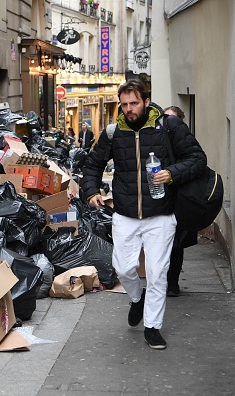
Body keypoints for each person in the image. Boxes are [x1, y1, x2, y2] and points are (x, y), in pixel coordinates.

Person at [82, 79, 206, 350]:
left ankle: (152, 327)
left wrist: (172, 173)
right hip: (125, 213)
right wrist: (91, 191)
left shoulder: (168, 127)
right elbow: (92, 165)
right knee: (124, 268)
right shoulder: (114, 132)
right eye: (124, 104)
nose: (129, 109)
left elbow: (197, 159)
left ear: (146, 102)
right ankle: (137, 299)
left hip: (161, 214)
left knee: (157, 271)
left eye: (134, 103)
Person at [163, 105, 197, 297]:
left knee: (176, 244)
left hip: (179, 199)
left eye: (172, 119)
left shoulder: (184, 142)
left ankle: (172, 282)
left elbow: (194, 163)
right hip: (160, 199)